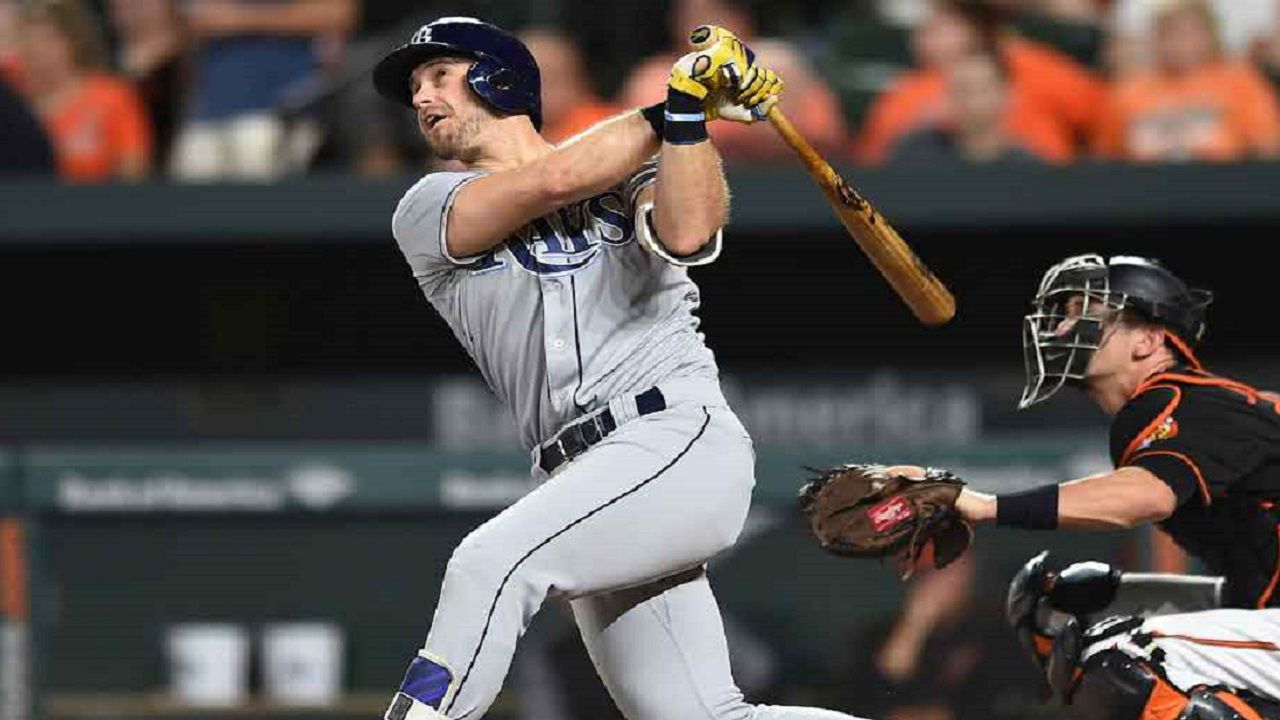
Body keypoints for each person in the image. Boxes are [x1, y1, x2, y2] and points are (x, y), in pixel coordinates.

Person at [371, 16, 862, 720]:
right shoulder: (426, 206)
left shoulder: (630, 167)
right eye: (416, 86)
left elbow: (689, 232)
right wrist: (675, 105)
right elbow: (557, 179)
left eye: (440, 76)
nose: (422, 98)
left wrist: (687, 121)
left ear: (497, 79)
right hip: (580, 475)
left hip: (672, 437)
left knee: (491, 563)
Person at [933, 253, 1280, 717]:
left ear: (1150, 339)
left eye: (1086, 312)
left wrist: (986, 506)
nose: (1062, 327)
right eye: (1065, 313)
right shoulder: (1185, 404)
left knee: (1127, 655)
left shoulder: (1182, 398)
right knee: (1068, 604)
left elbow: (1145, 496)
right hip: (1265, 612)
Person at [856, 0, 1099, 165]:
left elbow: (1101, 129)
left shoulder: (1044, 70)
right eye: (941, 25)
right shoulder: (910, 100)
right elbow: (877, 169)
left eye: (962, 22)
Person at [617, 0, 846, 163]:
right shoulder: (653, 78)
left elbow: (828, 139)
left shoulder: (782, 62)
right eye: (688, 16)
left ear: (739, 18)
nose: (695, 26)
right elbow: (639, 150)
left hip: (784, 192)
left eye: (710, 14)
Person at [171, 0, 356, 181]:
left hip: (278, 111)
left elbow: (337, 12)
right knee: (190, 196)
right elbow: (187, 20)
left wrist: (240, 18)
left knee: (263, 198)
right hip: (206, 113)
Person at [1094, 0, 1280, 162]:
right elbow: (1107, 157)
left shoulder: (1240, 82)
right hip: (1147, 186)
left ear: (1209, 34)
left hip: (1223, 183)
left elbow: (1267, 147)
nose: (1179, 40)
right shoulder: (1127, 90)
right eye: (1168, 30)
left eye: (1189, 30)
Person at [17, 0, 151, 183]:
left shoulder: (111, 97)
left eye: (48, 39)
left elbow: (133, 169)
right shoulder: (13, 98)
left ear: (74, 41)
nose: (36, 49)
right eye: (28, 39)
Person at [887, 50, 1064, 163]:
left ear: (1008, 95)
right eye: (961, 89)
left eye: (981, 89)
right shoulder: (915, 152)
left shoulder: (1029, 166)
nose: (970, 100)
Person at [107, 0, 185, 174]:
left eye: (142, 3)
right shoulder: (106, 70)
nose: (133, 12)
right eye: (122, 5)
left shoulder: (191, 61)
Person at [519, 27, 621, 145]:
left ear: (581, 83)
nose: (543, 92)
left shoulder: (609, 128)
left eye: (554, 80)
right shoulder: (508, 133)